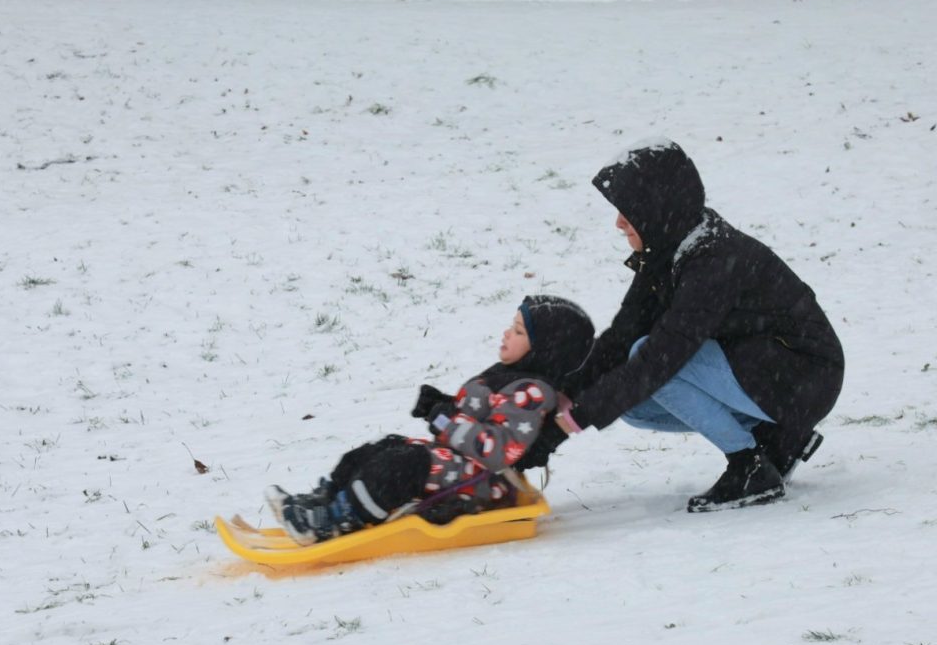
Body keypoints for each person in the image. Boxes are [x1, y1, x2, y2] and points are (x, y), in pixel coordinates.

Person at [547, 138, 844, 512]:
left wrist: (566, 427)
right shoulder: (668, 247)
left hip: (804, 377)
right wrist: (563, 395)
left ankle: (749, 466)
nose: (618, 223)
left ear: (655, 208)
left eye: (627, 211)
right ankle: (777, 439)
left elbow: (664, 356)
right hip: (763, 372)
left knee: (650, 364)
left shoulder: (713, 261)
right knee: (634, 403)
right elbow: (622, 336)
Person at [265, 295, 595, 544]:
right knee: (384, 448)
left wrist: (443, 419)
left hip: (482, 485)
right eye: (512, 326)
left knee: (402, 465)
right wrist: (442, 404)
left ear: (546, 349)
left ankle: (334, 521)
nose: (506, 334)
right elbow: (479, 415)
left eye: (519, 331)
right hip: (459, 465)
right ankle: (327, 499)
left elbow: (496, 452)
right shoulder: (512, 376)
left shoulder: (532, 392)